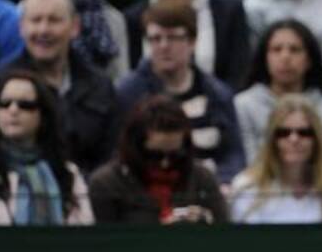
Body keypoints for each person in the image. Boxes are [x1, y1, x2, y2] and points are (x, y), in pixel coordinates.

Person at [0, 0, 118, 175]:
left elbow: (111, 158)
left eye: (54, 20)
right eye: (35, 20)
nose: (43, 30)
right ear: (21, 27)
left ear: (74, 27)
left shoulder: (100, 86)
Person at [116, 0, 244, 183]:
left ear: (192, 41)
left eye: (173, 37)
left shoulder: (218, 93)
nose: (164, 46)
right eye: (155, 38)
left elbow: (234, 155)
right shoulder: (128, 92)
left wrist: (222, 182)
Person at [0, 69, 92, 225]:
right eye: (4, 104)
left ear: (42, 115)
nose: (13, 110)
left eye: (25, 105)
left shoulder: (68, 174)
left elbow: (84, 233)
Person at [235, 19, 322, 175]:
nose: (285, 57)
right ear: (265, 58)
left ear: (309, 59)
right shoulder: (244, 106)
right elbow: (244, 165)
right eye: (276, 49)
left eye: (295, 50)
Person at [88, 95, 228, 225]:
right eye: (154, 156)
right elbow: (107, 245)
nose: (164, 163)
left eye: (174, 155)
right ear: (135, 146)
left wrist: (206, 222)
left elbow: (225, 234)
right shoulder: (106, 184)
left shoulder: (201, 178)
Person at [229, 94, 322, 224]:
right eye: (283, 133)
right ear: (272, 140)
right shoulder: (245, 189)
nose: (294, 139)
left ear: (316, 139)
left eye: (304, 133)